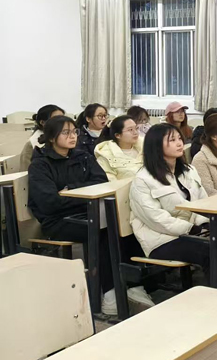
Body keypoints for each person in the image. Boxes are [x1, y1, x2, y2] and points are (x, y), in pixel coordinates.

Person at [28, 115, 153, 314]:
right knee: (103, 230)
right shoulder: (40, 164)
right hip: (57, 221)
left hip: (88, 211)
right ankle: (108, 292)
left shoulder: (82, 156)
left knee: (126, 224)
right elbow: (49, 202)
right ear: (51, 137)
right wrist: (82, 196)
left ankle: (133, 284)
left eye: (74, 131)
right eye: (66, 132)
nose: (73, 136)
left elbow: (101, 181)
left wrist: (70, 190)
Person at [128, 123, 217, 290]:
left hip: (190, 232)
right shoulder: (143, 179)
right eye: (172, 140)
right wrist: (191, 229)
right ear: (156, 146)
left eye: (179, 138)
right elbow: (156, 219)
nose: (179, 143)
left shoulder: (188, 170)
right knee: (209, 251)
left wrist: (205, 224)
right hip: (161, 240)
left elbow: (202, 203)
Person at [94, 115, 144, 181]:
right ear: (118, 135)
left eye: (136, 128)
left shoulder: (145, 148)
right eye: (130, 130)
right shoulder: (105, 155)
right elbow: (112, 183)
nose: (135, 132)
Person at [20, 104, 64, 171]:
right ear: (42, 122)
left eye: (63, 118)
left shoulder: (66, 139)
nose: (62, 123)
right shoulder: (31, 146)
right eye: (56, 119)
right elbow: (26, 172)